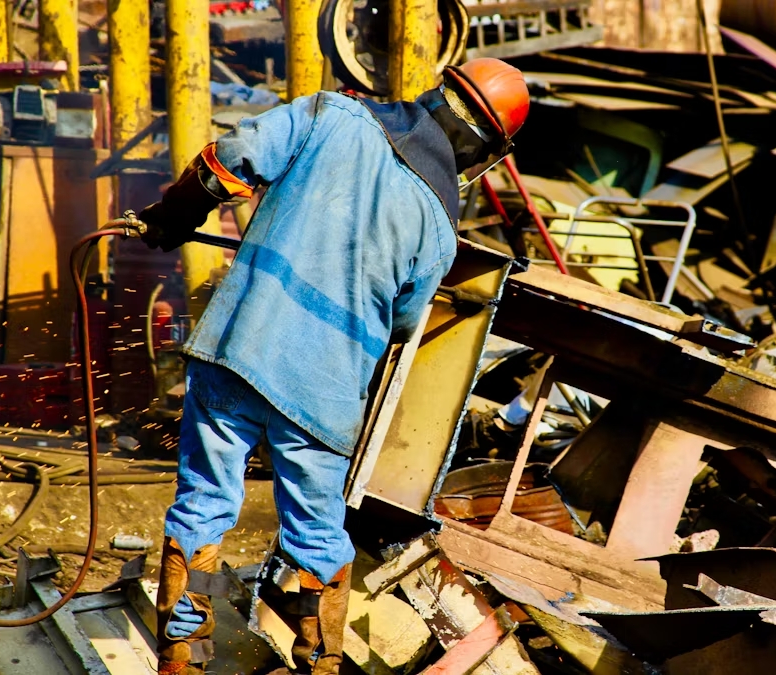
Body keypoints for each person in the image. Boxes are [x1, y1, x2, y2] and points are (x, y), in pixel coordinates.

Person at [137, 58, 530, 675]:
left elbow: (228, 159)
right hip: (324, 389)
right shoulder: (439, 226)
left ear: (437, 90)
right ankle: (319, 664)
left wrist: (172, 217)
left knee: (204, 505)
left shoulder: (331, 113)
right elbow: (403, 324)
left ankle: (185, 656)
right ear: (485, 148)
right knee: (316, 535)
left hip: (238, 344)